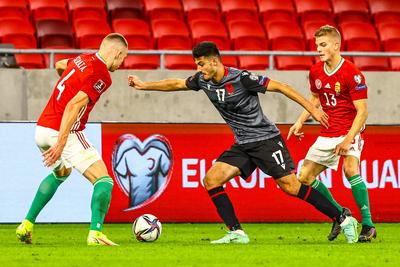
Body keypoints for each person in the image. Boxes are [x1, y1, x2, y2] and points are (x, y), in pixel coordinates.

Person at [128, 41, 359, 244]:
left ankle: (343, 218)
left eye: (200, 64)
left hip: (266, 140)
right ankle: (236, 232)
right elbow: (176, 83)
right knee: (211, 179)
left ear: (213, 62)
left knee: (290, 186)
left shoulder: (242, 78)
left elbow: (281, 87)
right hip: (243, 144)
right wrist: (143, 85)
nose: (198, 69)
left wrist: (311, 110)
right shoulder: (203, 80)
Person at [16, 33, 128, 246]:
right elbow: (73, 106)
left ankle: (26, 225)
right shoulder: (101, 74)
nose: (122, 63)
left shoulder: (82, 59)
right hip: (64, 131)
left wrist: (70, 85)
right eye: (123, 57)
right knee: (104, 180)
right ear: (116, 52)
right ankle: (96, 234)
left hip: (41, 129)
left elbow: (60, 65)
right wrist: (61, 142)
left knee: (61, 173)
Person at [288, 25, 376, 242]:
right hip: (328, 131)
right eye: (317, 45)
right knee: (305, 177)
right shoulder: (315, 71)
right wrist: (300, 121)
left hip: (350, 128)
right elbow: (315, 99)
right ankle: (341, 213)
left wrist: (348, 140)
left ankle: (368, 224)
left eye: (323, 45)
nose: (318, 49)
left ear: (336, 46)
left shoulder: (352, 73)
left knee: (350, 169)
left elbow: (363, 112)